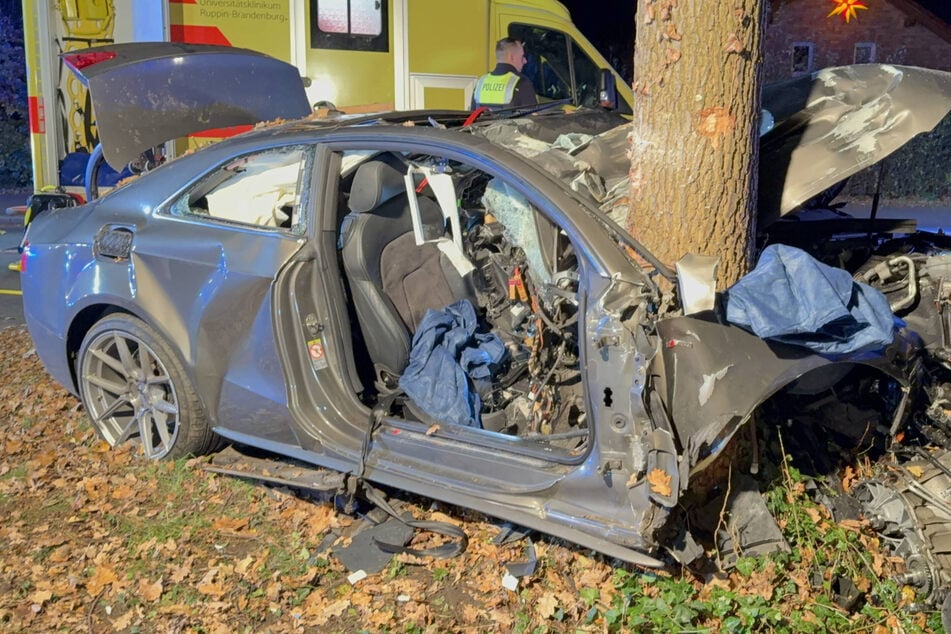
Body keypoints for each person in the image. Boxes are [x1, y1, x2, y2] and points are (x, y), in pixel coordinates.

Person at [471, 38, 538, 110]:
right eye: (522, 56)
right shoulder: (522, 83)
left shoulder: (481, 82)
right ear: (512, 57)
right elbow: (532, 118)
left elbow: (472, 116)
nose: (525, 61)